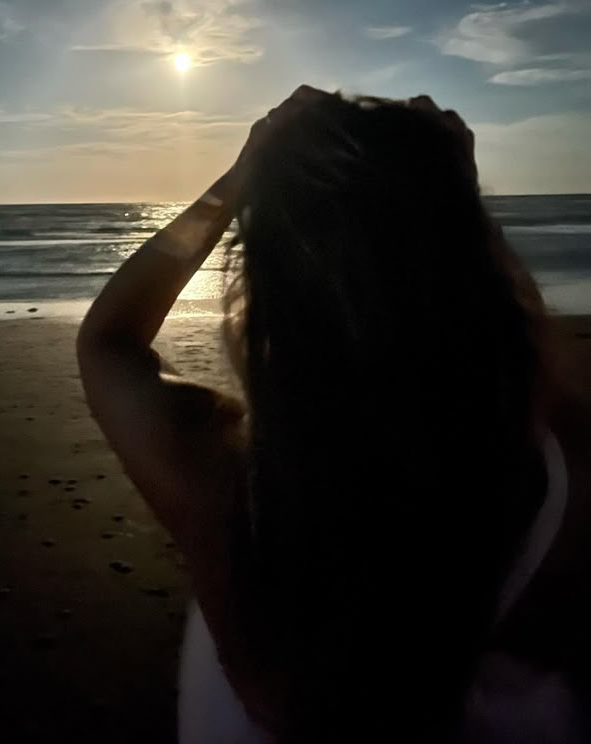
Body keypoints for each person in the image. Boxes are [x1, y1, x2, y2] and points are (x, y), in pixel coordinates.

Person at [77, 86, 591, 743]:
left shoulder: (228, 484)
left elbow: (107, 341)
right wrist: (458, 204)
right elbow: (515, 347)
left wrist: (238, 179)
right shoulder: (551, 471)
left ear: (265, 282)